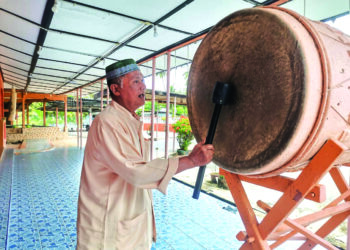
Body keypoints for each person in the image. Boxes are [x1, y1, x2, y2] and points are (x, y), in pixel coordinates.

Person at [76, 59, 214, 249]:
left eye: (143, 80)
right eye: (136, 81)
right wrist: (191, 161)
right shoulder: (107, 122)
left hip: (127, 222)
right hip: (108, 229)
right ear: (116, 90)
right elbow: (137, 172)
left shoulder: (129, 120)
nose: (144, 86)